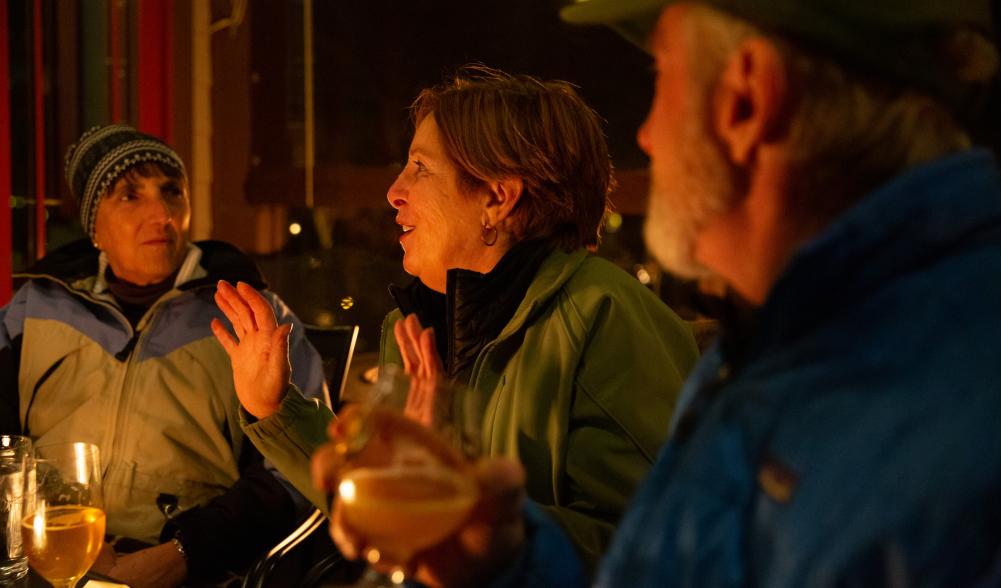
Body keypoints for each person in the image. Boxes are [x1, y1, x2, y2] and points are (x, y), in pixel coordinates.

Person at [310, 0, 1001, 586]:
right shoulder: (779, 347)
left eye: (661, 74)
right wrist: (503, 554)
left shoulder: (950, 402)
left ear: (745, 100)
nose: (642, 134)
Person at [212, 66, 700, 571]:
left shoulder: (604, 316)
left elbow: (661, 546)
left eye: (420, 168)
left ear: (496, 197)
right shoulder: (418, 327)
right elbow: (392, 512)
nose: (393, 192)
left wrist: (469, 515)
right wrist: (274, 408)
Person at [0, 125, 327, 587]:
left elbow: (297, 474)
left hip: (188, 566)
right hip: (47, 553)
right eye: (129, 196)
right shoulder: (36, 306)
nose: (162, 215)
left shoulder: (250, 315)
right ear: (95, 226)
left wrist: (185, 553)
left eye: (172, 192)